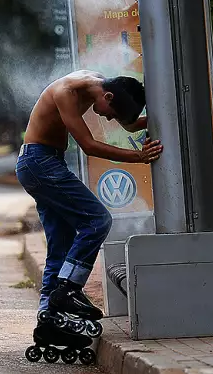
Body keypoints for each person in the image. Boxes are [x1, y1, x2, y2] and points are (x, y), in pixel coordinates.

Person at [16, 70, 162, 343]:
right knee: (97, 220)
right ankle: (68, 289)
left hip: (45, 162)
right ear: (107, 96)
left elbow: (129, 125)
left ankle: (49, 321)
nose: (107, 118)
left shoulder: (105, 87)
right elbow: (89, 146)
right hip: (39, 163)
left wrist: (163, 119)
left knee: (61, 244)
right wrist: (138, 157)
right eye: (109, 112)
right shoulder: (66, 92)